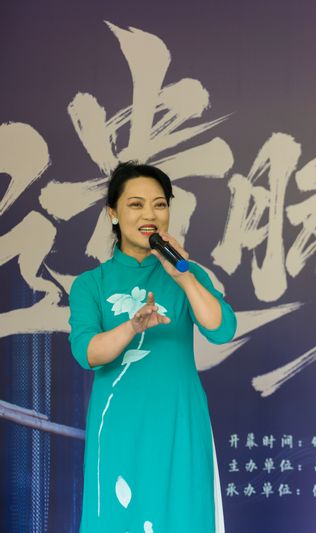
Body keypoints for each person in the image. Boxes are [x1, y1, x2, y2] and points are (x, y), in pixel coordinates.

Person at [68, 161, 236, 532]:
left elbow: (222, 330)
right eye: (136, 204)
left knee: (183, 518)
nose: (150, 215)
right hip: (119, 424)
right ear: (113, 213)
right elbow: (88, 352)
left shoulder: (188, 273)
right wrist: (132, 326)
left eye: (159, 204)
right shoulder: (91, 284)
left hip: (179, 421)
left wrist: (183, 276)